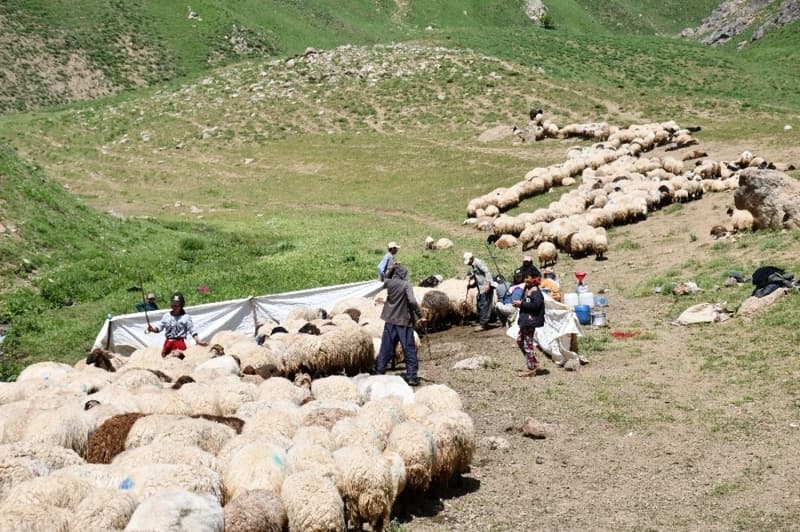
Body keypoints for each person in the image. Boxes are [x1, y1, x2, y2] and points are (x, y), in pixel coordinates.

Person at [374, 263, 423, 386]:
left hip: (390, 320)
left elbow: (384, 277)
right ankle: (412, 376)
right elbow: (412, 301)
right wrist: (420, 315)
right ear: (404, 274)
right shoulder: (406, 285)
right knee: (409, 348)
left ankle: (379, 372)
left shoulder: (389, 283)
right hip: (403, 321)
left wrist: (392, 268)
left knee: (386, 347)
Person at [147, 292, 208, 357]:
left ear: (181, 306)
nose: (174, 307)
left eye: (176, 305)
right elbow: (159, 328)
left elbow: (192, 330)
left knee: (180, 360)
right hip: (168, 344)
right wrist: (152, 329)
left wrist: (198, 341)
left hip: (180, 344)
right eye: (173, 305)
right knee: (165, 360)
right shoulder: (166, 316)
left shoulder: (186, 317)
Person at [512, 268, 545, 377]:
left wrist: (521, 304)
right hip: (524, 320)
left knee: (527, 344)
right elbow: (525, 302)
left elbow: (536, 306)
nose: (525, 279)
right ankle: (533, 362)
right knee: (520, 341)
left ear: (534, 279)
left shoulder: (536, 292)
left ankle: (531, 368)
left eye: (527, 277)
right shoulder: (526, 289)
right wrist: (518, 303)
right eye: (525, 277)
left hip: (531, 321)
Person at [464, 251, 494, 331]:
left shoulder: (478, 262)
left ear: (471, 258)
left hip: (485, 287)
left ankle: (483, 324)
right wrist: (472, 282)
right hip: (480, 288)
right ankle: (481, 321)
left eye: (468, 261)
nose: (468, 264)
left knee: (484, 305)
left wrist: (488, 284)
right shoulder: (473, 265)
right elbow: (479, 276)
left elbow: (487, 271)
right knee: (480, 305)